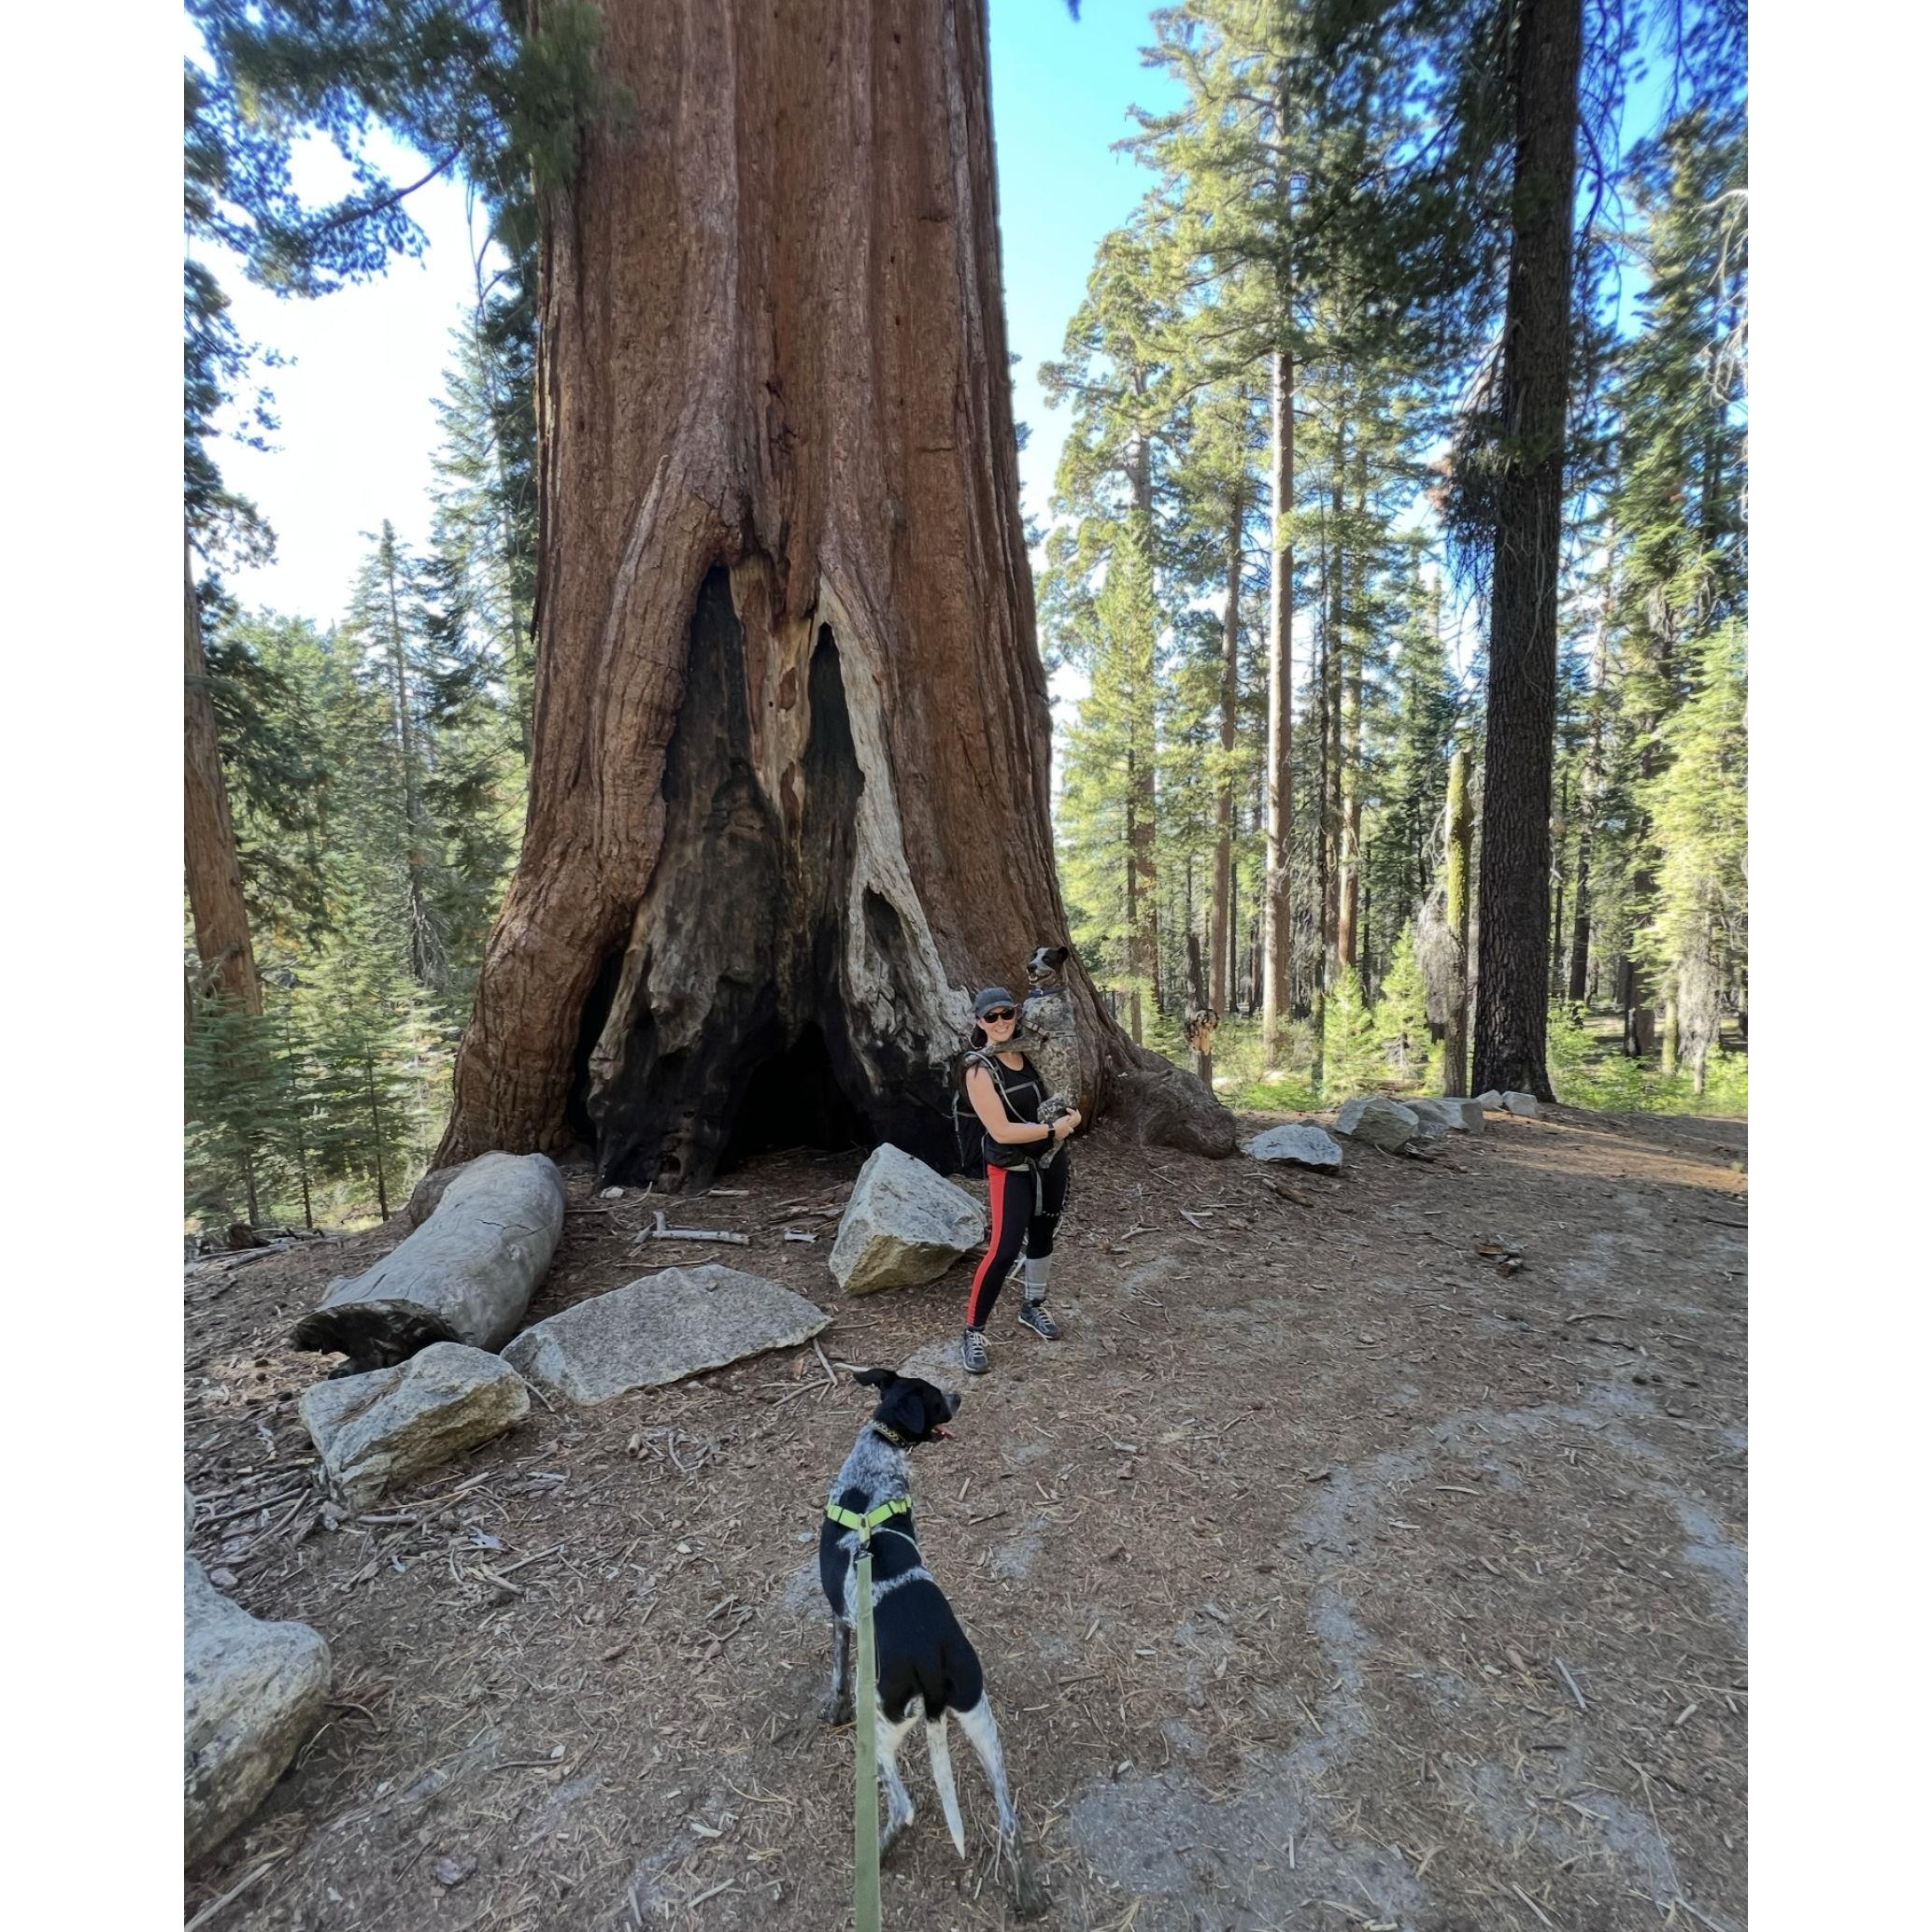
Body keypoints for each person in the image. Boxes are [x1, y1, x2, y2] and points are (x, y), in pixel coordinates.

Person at [959, 986, 1080, 1375]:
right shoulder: (979, 1067)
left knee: (1043, 1236)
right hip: (1011, 1167)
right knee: (1004, 1248)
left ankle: (1033, 1306)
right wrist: (1052, 1130)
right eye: (990, 1017)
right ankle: (974, 1330)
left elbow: (1063, 1092)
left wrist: (1071, 1119)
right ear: (979, 1022)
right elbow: (1001, 1131)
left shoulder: (1031, 1053)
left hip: (1050, 1162)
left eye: (1006, 1014)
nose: (1000, 1023)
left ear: (1016, 1015)